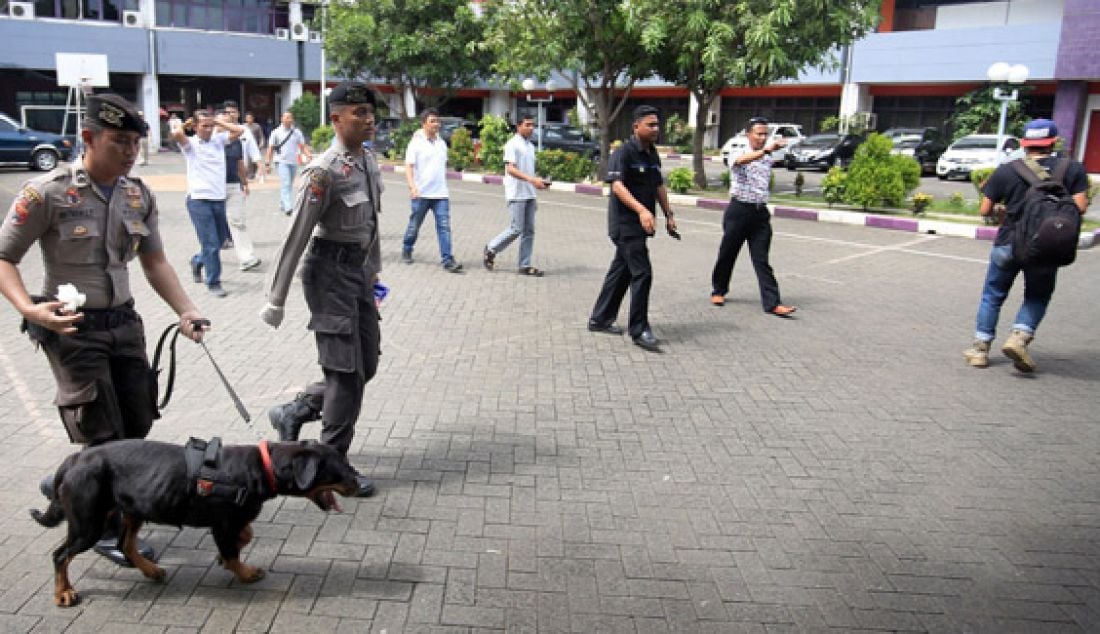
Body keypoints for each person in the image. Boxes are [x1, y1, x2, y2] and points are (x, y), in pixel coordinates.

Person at [0, 93, 208, 566]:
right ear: (89, 138)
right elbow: (4, 258)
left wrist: (186, 310)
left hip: (124, 323)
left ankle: (64, 484)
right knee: (104, 431)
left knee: (138, 422)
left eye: (136, 142)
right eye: (120, 141)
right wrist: (31, 312)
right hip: (71, 327)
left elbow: (154, 261)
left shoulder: (138, 193)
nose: (130, 151)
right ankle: (108, 531)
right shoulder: (47, 192)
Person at [259, 81, 384, 497]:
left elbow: (371, 225)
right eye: (359, 113)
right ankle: (331, 467)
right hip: (328, 274)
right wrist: (274, 300)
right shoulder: (323, 172)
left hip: (357, 275)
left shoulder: (366, 161)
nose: (368, 120)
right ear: (336, 119)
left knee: (365, 364)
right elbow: (295, 237)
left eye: (370, 113)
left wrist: (374, 272)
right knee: (345, 375)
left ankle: (296, 410)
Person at [962, 118, 1088, 372]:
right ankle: (1019, 337)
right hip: (1045, 244)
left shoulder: (1008, 169)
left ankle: (980, 349)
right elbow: (1081, 206)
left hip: (1008, 242)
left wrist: (1003, 211)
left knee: (993, 295)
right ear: (1053, 141)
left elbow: (985, 209)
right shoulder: (1071, 169)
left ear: (1023, 143)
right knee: (1037, 295)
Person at [587, 105, 678, 352]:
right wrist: (642, 210)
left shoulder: (651, 154)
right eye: (651, 124)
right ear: (636, 126)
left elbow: (658, 185)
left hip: (640, 225)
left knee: (622, 271)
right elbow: (616, 186)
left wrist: (669, 214)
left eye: (657, 124)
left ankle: (600, 318)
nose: (656, 129)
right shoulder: (623, 153)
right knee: (642, 273)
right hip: (625, 225)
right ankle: (639, 330)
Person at [709, 116, 797, 317]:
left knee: (761, 259)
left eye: (765, 134)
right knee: (727, 254)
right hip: (739, 210)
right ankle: (719, 290)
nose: (763, 137)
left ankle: (773, 303)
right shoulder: (739, 151)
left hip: (759, 213)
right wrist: (765, 150)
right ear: (749, 134)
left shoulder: (767, 157)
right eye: (759, 133)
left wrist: (767, 152)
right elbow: (739, 162)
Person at [169, 109, 243, 298]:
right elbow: (177, 134)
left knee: (220, 241)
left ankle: (197, 260)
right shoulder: (191, 144)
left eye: (211, 126)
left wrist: (219, 123)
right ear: (195, 127)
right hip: (199, 200)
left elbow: (239, 131)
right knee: (210, 243)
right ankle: (213, 282)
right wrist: (187, 124)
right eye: (204, 126)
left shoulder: (219, 141)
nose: (208, 130)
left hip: (218, 198)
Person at [483, 114, 548, 276]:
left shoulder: (530, 147)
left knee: (529, 231)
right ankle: (491, 248)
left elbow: (528, 171)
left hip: (529, 194)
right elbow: (510, 169)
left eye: (533, 125)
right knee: (516, 228)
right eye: (527, 124)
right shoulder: (512, 144)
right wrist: (532, 180)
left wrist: (538, 183)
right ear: (518, 126)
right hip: (516, 194)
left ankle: (524, 265)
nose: (531, 128)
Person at [402, 108, 463, 272]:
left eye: (438, 121)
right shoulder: (416, 143)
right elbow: (408, 166)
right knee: (415, 225)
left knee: (444, 226)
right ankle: (407, 248)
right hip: (421, 193)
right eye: (432, 121)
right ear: (424, 124)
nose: (437, 124)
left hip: (440, 194)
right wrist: (412, 186)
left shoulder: (441, 143)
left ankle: (447, 260)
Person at [220, 102, 261, 271]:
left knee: (238, 221)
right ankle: (204, 257)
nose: (228, 119)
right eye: (223, 119)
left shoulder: (235, 141)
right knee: (214, 228)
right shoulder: (207, 142)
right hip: (213, 190)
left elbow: (239, 164)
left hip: (233, 185)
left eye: (230, 116)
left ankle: (246, 257)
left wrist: (244, 183)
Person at [265, 111, 311, 215]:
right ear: (282, 119)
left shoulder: (296, 132)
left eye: (290, 118)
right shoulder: (276, 132)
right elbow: (270, 148)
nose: (289, 120)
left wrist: (308, 155)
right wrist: (267, 163)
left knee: (289, 183)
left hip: (293, 161)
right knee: (285, 182)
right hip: (281, 161)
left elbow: (303, 146)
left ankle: (283, 203)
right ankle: (288, 207)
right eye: (286, 117)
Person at [244, 111, 266, 181]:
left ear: (253, 118)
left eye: (250, 118)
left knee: (256, 161)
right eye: (247, 118)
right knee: (248, 161)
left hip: (256, 147)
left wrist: (261, 143)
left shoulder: (257, 126)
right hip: (246, 147)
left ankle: (253, 173)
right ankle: (249, 175)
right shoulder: (243, 126)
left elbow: (261, 136)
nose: (249, 119)